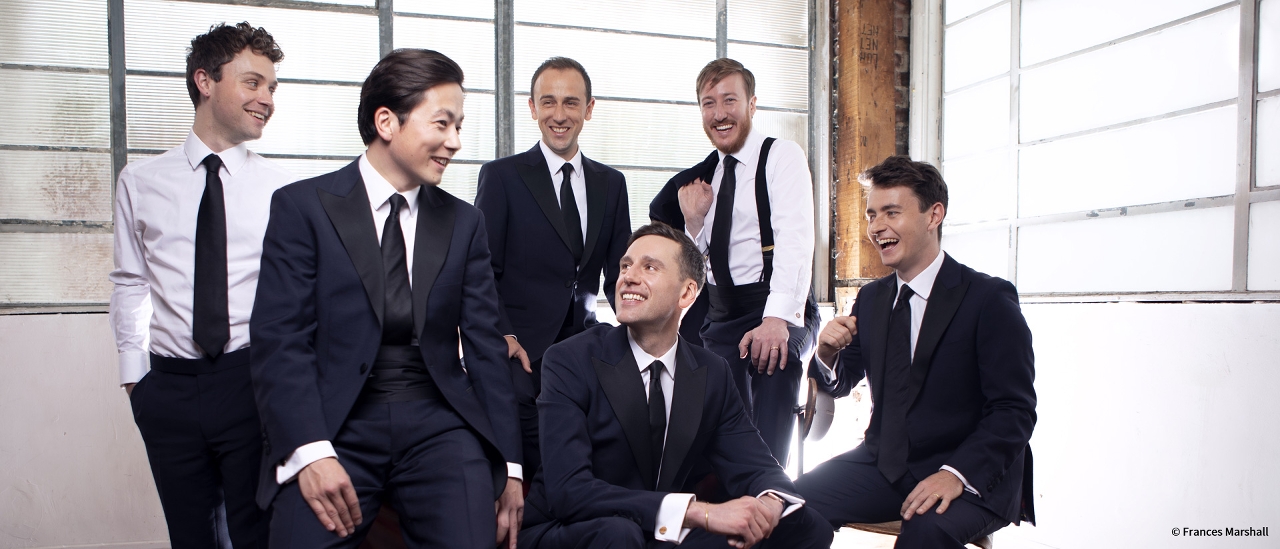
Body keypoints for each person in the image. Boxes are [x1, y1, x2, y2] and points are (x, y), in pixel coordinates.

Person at [249, 49, 523, 548]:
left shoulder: (465, 223)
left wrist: (511, 467)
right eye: (442, 123)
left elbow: (485, 348)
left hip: (440, 423)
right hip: (335, 423)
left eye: (459, 126)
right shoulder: (302, 208)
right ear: (386, 122)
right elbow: (280, 342)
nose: (455, 142)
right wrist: (310, 452)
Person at [518, 222, 832, 549]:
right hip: (572, 528)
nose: (628, 277)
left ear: (687, 293)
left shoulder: (712, 372)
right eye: (625, 266)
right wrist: (697, 512)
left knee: (807, 526)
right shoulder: (570, 359)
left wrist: (769, 504)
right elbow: (569, 491)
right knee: (619, 534)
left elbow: (756, 464)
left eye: (649, 267)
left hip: (660, 533)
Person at [794, 156, 1037, 548]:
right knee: (788, 504)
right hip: (883, 464)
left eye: (892, 212)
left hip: (969, 470)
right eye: (872, 215)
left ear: (933, 215)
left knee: (924, 532)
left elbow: (1014, 410)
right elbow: (840, 384)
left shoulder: (988, 298)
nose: (877, 227)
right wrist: (825, 352)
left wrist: (956, 474)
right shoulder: (871, 299)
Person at [109, 22, 289, 548]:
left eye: (272, 88)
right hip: (168, 387)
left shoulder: (282, 190)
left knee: (257, 536)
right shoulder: (140, 181)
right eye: (253, 83)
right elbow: (130, 282)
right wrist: (136, 381)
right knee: (191, 537)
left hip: (250, 381)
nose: (267, 99)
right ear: (205, 81)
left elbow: (297, 296)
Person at [649, 58, 819, 466]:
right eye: (709, 103)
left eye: (730, 100)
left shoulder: (782, 156)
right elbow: (700, 263)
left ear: (752, 104)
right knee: (711, 408)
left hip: (777, 305)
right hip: (723, 316)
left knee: (775, 362)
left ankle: (771, 489)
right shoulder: (703, 179)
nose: (719, 113)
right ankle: (725, 492)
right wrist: (693, 223)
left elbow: (796, 240)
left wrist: (776, 320)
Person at [474, 56, 631, 477]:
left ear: (588, 109)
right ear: (532, 108)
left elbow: (620, 274)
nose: (559, 115)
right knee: (542, 458)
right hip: (521, 349)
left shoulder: (611, 183)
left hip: (585, 343)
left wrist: (642, 327)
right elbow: (481, 269)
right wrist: (503, 334)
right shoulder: (502, 177)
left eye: (571, 102)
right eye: (548, 102)